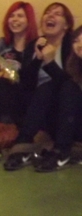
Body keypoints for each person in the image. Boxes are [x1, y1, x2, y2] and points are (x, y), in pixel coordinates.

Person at [3, 2, 74, 171]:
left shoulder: (72, 45)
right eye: (47, 12)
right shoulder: (35, 44)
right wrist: (37, 58)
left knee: (48, 87)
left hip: (67, 108)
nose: (50, 15)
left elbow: (71, 85)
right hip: (38, 106)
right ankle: (24, 145)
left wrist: (50, 63)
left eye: (57, 14)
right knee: (9, 85)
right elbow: (26, 84)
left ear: (66, 25)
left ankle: (31, 143)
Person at [32, 24, 82, 171]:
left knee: (65, 87)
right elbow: (64, 85)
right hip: (74, 125)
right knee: (48, 87)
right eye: (76, 41)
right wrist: (42, 60)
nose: (79, 45)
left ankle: (62, 150)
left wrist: (50, 63)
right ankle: (24, 143)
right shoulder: (75, 66)